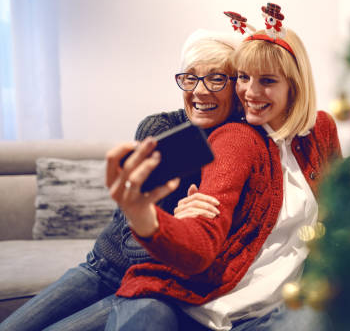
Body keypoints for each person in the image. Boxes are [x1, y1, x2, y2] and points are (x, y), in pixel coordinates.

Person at [103, 7, 342, 331]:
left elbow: (339, 202)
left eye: (267, 81)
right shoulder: (236, 139)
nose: (249, 92)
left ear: (294, 86)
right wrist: (146, 218)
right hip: (216, 304)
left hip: (285, 303)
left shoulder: (320, 129)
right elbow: (204, 235)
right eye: (243, 78)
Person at [0, 29, 240, 331]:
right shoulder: (162, 130)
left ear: (237, 86)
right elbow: (130, 242)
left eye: (216, 78)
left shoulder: (239, 149)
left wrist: (176, 232)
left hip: (154, 290)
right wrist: (173, 228)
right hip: (105, 268)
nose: (200, 91)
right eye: (190, 77)